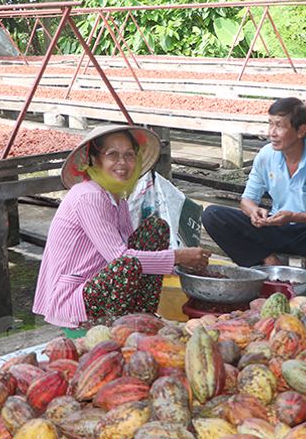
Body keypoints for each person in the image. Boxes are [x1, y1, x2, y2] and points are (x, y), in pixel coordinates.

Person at [33, 124, 210, 332]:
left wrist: (179, 267)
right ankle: (116, 324)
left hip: (101, 283)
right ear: (94, 160)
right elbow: (120, 259)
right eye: (113, 154)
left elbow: (131, 249)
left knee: (155, 229)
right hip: (73, 297)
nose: (123, 162)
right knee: (127, 264)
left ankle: (141, 312)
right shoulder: (89, 196)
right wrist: (178, 256)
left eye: (129, 155)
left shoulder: (116, 197)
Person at [201, 97, 306, 298]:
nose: (271, 133)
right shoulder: (266, 155)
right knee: (213, 214)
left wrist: (294, 217)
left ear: (301, 131)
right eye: (270, 124)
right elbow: (247, 199)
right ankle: (266, 260)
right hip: (276, 228)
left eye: (279, 126)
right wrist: (254, 212)